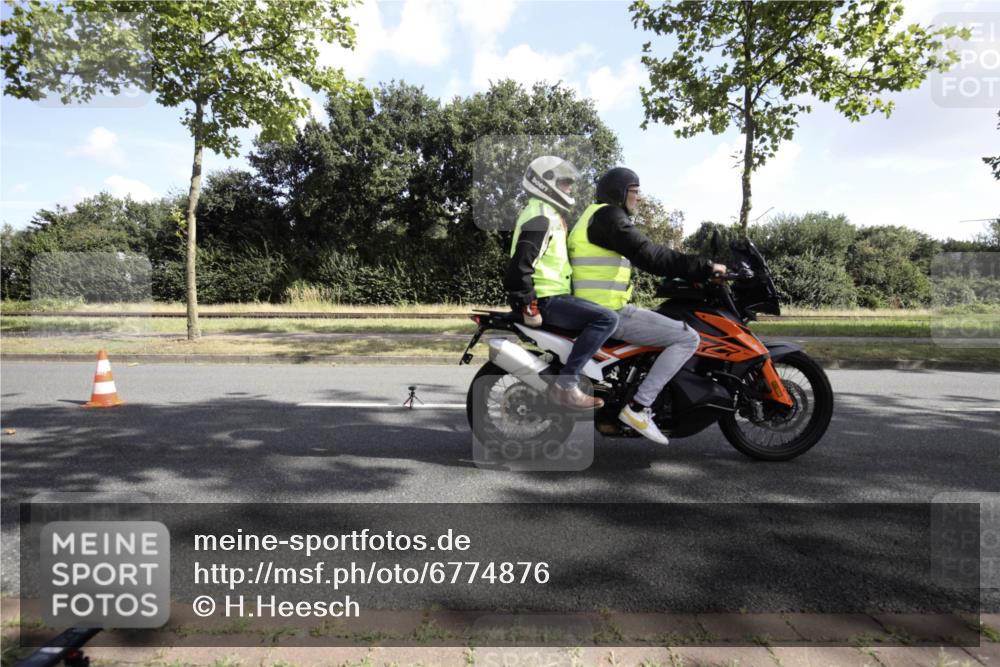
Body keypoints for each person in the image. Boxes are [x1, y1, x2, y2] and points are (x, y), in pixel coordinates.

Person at [568, 167, 725, 444]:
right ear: (619, 192)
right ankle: (640, 407)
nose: (639, 198)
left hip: (596, 308)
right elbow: (649, 255)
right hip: (608, 312)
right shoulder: (609, 216)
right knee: (687, 337)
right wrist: (705, 266)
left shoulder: (590, 218)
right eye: (635, 191)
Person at [504, 156, 620, 410]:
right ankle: (566, 385)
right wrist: (528, 304)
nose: (569, 188)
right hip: (547, 299)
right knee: (607, 319)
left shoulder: (547, 213)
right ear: (546, 182)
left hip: (553, 296)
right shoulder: (541, 216)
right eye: (565, 183)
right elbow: (519, 267)